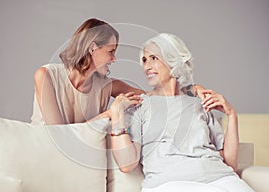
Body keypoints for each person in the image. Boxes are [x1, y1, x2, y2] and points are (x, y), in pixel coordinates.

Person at [109, 33, 254, 191]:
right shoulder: (140, 106)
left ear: (174, 60)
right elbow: (126, 164)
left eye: (154, 58)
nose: (147, 66)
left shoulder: (199, 102)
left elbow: (230, 164)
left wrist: (232, 115)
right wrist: (116, 115)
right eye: (144, 60)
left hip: (222, 179)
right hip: (170, 184)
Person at [31, 18, 203, 125]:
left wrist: (191, 89)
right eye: (111, 51)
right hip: (46, 155)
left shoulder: (107, 86)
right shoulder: (46, 76)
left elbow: (151, 97)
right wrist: (109, 114)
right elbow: (57, 135)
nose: (114, 59)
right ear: (92, 48)